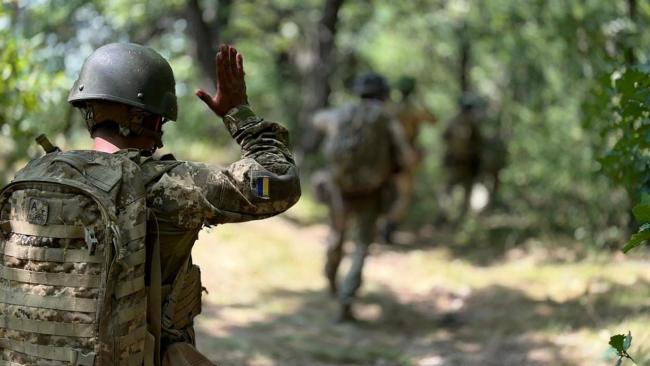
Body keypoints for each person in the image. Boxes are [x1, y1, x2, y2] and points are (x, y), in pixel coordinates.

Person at [0, 42, 300, 366]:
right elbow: (276, 182)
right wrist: (238, 112)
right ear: (151, 120)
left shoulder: (33, 178)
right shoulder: (169, 186)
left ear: (89, 112)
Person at [310, 72, 412, 322]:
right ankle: (347, 297)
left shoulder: (342, 114)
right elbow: (406, 158)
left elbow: (317, 120)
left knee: (337, 235)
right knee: (362, 245)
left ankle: (331, 279)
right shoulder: (387, 119)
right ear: (384, 93)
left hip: (340, 188)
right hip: (371, 191)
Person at [382, 76, 437, 243]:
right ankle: (388, 227)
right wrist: (422, 99)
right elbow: (433, 120)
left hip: (385, 159)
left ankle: (381, 226)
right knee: (404, 197)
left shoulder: (389, 107)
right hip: (404, 159)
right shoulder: (413, 109)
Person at [440, 92, 483, 223]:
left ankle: (445, 214)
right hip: (466, 162)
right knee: (465, 190)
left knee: (448, 189)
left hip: (455, 161)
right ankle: (461, 218)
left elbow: (444, 138)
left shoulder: (452, 120)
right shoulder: (473, 122)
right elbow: (480, 142)